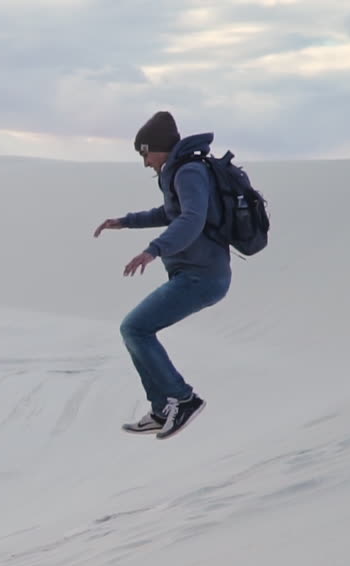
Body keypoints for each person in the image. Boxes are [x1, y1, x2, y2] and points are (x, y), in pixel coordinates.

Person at [93, 110, 231, 439]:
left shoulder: (188, 172)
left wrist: (153, 250)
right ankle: (162, 408)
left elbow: (191, 220)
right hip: (194, 275)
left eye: (144, 153)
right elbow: (170, 213)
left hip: (203, 277)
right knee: (136, 329)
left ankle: (182, 399)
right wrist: (125, 221)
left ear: (157, 147)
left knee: (135, 328)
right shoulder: (180, 172)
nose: (145, 162)